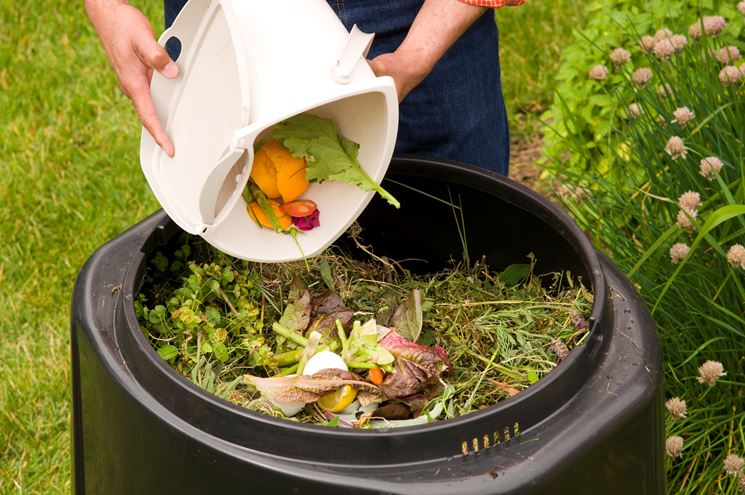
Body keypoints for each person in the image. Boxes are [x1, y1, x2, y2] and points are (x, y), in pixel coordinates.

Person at [84, 0, 523, 174]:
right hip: (229, 17)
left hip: (409, 15)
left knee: (464, 251)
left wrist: (414, 58)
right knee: (249, 262)